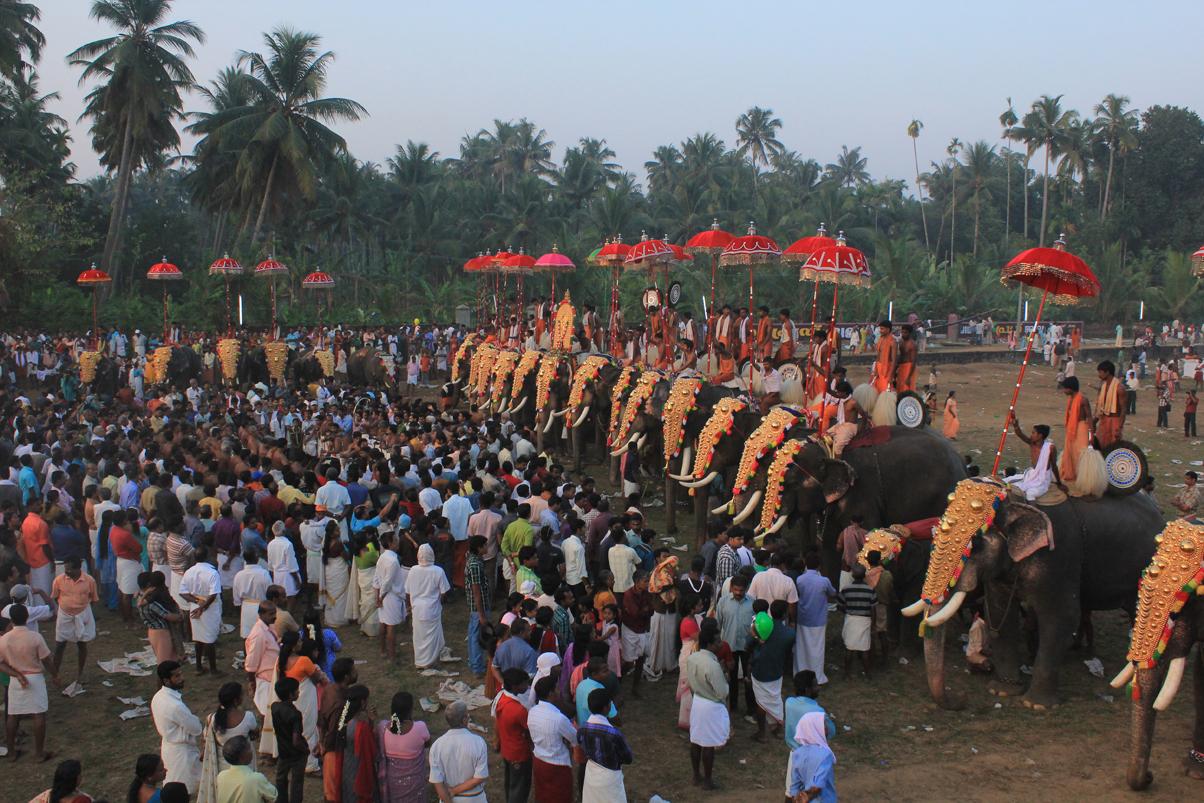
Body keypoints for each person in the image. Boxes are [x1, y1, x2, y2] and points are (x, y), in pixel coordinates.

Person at [1, 603, 58, 762]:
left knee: (13, 715)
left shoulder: (5, 639)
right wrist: (55, 675)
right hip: (35, 677)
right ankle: (39, 753)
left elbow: (0, 663)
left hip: (16, 679)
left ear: (11, 620)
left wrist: (17, 675)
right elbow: (46, 660)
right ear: (27, 617)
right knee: (38, 714)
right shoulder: (34, 637)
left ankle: (11, 752)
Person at [198, 682, 261, 803]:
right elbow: (255, 734)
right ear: (236, 700)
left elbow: (205, 739)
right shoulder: (248, 717)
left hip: (223, 767)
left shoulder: (212, 719)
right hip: (245, 764)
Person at [686, 626, 729, 791]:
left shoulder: (693, 658)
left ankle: (696, 775)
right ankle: (708, 781)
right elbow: (722, 692)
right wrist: (725, 678)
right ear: (710, 644)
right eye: (717, 641)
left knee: (695, 741)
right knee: (708, 744)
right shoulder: (712, 665)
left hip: (697, 701)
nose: (720, 644)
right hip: (711, 705)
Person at [151, 660, 204, 794]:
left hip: (169, 748)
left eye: (181, 674)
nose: (182, 678)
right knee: (186, 790)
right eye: (177, 676)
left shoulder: (157, 697)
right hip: (183, 753)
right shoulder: (175, 706)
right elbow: (196, 728)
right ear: (166, 681)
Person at [50, 556, 98, 694]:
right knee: (59, 645)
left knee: (82, 644)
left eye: (70, 569)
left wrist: (82, 611)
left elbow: (93, 599)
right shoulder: (59, 580)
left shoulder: (89, 581)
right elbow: (54, 596)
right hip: (64, 615)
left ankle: (80, 674)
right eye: (66, 569)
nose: (67, 572)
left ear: (79, 569)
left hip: (82, 614)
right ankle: (55, 675)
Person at [751, 599, 795, 742]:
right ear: (784, 615)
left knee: (761, 702)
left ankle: (761, 732)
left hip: (760, 668)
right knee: (775, 698)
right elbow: (788, 654)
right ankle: (777, 728)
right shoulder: (789, 633)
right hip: (776, 669)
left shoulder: (761, 626)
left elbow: (750, 643)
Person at [577, 688, 632, 802]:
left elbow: (581, 745)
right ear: (606, 708)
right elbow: (628, 758)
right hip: (609, 778)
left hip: (591, 773)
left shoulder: (582, 729)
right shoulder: (613, 733)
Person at [527, 674, 576, 803]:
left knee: (543, 795)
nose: (559, 691)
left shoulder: (532, 712)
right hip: (557, 765)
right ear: (550, 693)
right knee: (561, 797)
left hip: (539, 760)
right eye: (556, 689)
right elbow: (575, 739)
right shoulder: (558, 718)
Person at [428, 702, 489, 803]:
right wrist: (454, 791)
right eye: (467, 715)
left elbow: (437, 783)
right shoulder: (478, 742)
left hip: (448, 798)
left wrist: (450, 795)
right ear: (464, 720)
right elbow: (480, 777)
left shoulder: (437, 746)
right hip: (475, 798)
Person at [376, 691, 430, 802]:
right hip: (415, 783)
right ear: (410, 710)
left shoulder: (382, 728)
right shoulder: (420, 727)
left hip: (392, 784)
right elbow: (427, 744)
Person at [714, 574, 755, 716]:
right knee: (730, 678)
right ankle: (732, 706)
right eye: (736, 589)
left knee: (749, 679)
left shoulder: (752, 603)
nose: (738, 593)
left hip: (746, 647)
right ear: (731, 587)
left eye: (741, 590)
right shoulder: (723, 602)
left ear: (746, 589)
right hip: (729, 646)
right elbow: (717, 624)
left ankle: (751, 709)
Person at [243, 602, 280, 761]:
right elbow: (251, 664)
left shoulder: (268, 628)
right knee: (267, 715)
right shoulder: (258, 634)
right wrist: (252, 683)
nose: (274, 616)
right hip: (264, 679)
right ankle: (267, 752)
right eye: (271, 614)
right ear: (262, 614)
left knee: (273, 714)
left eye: (274, 612)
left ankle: (272, 749)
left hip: (273, 677)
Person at [408, 542, 452, 669]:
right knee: (432, 636)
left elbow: (407, 590)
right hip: (432, 608)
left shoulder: (413, 570)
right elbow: (444, 591)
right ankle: (430, 661)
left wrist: (410, 605)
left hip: (417, 609)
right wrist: (438, 600)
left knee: (419, 636)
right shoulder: (438, 571)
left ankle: (420, 661)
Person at [181, 546, 223, 674]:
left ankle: (199, 667)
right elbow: (214, 593)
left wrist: (196, 602)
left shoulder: (189, 571)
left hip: (196, 605)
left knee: (198, 637)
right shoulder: (212, 572)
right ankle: (213, 670)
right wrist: (203, 607)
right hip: (208, 607)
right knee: (210, 638)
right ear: (207, 557)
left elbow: (183, 593)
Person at [494, 667, 533, 802]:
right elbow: (530, 730)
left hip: (507, 749)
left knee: (511, 783)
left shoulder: (501, 698)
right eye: (524, 683)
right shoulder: (519, 710)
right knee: (520, 788)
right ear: (516, 686)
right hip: (520, 753)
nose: (527, 686)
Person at [337, 684, 377, 803]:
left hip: (347, 768)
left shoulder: (344, 721)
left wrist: (370, 722)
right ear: (363, 702)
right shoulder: (361, 728)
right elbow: (372, 750)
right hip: (360, 772)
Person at [374, 530, 409, 664]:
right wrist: (381, 596)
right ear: (390, 543)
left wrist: (377, 595)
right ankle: (392, 656)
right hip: (390, 596)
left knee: (383, 623)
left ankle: (383, 651)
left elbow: (377, 579)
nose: (398, 542)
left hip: (384, 595)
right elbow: (387, 582)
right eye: (395, 540)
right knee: (391, 627)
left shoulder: (382, 557)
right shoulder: (393, 561)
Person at [270, 677, 306, 803]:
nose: (298, 693)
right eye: (296, 691)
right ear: (291, 695)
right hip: (296, 753)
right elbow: (296, 740)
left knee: (281, 778)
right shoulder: (295, 714)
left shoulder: (275, 707)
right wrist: (305, 749)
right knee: (297, 782)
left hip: (283, 751)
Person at [787, 712, 838, 802]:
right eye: (823, 725)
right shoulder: (825, 754)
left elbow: (795, 785)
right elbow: (818, 785)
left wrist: (797, 799)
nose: (827, 728)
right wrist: (807, 796)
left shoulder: (797, 753)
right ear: (815, 728)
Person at [1005, 421, 1061, 501]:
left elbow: (1054, 466)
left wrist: (1059, 483)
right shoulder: (1032, 443)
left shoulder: (1050, 448)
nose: (1031, 435)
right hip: (1031, 475)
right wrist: (1016, 426)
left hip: (1043, 479)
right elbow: (1020, 434)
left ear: (1040, 435)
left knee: (1030, 494)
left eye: (1033, 433)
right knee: (1009, 484)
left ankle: (1034, 513)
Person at [837, 565, 876, 677]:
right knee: (864, 649)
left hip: (851, 620)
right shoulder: (870, 590)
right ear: (864, 576)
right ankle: (868, 674)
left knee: (849, 648)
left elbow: (839, 605)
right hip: (865, 620)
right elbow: (873, 609)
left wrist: (847, 611)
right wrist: (873, 624)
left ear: (853, 576)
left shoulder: (846, 589)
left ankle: (846, 673)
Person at [215, 736, 278, 803]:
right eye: (249, 748)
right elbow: (274, 796)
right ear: (243, 756)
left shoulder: (221, 776)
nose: (251, 750)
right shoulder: (257, 779)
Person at [464, 534, 491, 677]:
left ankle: (474, 662)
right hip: (478, 606)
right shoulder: (475, 564)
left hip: (478, 606)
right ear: (479, 548)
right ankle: (477, 667)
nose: (487, 547)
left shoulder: (475, 560)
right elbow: (476, 592)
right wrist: (481, 614)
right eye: (485, 545)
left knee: (474, 634)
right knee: (477, 636)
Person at [232, 549, 272, 639]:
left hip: (246, 608)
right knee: (263, 635)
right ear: (257, 558)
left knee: (248, 636)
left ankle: (247, 653)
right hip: (263, 607)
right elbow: (270, 592)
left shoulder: (239, 575)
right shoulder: (264, 574)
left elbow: (236, 600)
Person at [1059, 377, 1091, 488]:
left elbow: (1089, 417)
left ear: (1071, 388)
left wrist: (1091, 435)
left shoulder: (1083, 400)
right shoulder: (1070, 399)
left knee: (1080, 453)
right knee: (1069, 452)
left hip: (1081, 428)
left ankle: (1082, 479)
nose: (1064, 391)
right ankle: (1070, 475)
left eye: (1065, 389)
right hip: (1071, 429)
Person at [1093, 360, 1127, 447]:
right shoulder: (1103, 386)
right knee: (1101, 447)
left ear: (1107, 372)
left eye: (1100, 372)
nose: (1099, 375)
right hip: (1103, 420)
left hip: (1115, 420)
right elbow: (1100, 407)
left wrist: (1119, 428)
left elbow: (1123, 409)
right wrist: (1094, 422)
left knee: (1113, 448)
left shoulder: (1119, 388)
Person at [872, 320, 897, 392]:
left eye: (882, 329)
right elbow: (878, 355)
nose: (880, 331)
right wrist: (876, 369)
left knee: (885, 390)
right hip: (879, 367)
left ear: (888, 329)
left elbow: (894, 360)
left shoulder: (893, 342)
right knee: (876, 389)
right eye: (880, 329)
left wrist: (890, 375)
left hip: (887, 369)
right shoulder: (880, 339)